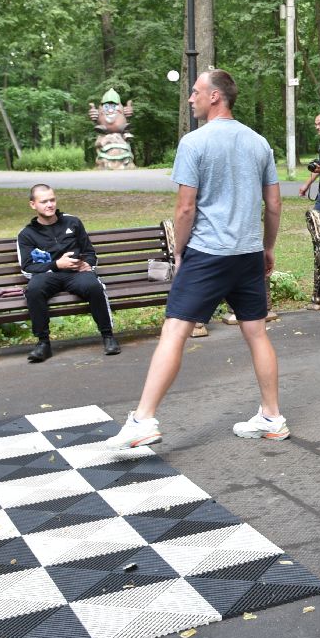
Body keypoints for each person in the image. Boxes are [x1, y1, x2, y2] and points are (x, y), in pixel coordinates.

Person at [104, 70, 288, 449]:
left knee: (174, 331)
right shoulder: (259, 143)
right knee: (256, 332)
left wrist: (178, 250)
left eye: (195, 91)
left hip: (208, 253)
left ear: (215, 96)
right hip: (248, 253)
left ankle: (143, 420)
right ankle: (272, 417)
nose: (191, 98)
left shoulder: (194, 142)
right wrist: (267, 247)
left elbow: (185, 208)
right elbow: (273, 204)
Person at [16, 184, 119, 363]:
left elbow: (90, 252)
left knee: (94, 286)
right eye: (44, 201)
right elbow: (27, 268)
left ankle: (108, 336)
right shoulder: (26, 234)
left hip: (76, 273)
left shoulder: (73, 222)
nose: (50, 205)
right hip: (48, 276)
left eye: (52, 200)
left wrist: (87, 264)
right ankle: (43, 343)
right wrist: (56, 264)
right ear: (33, 204)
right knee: (33, 290)